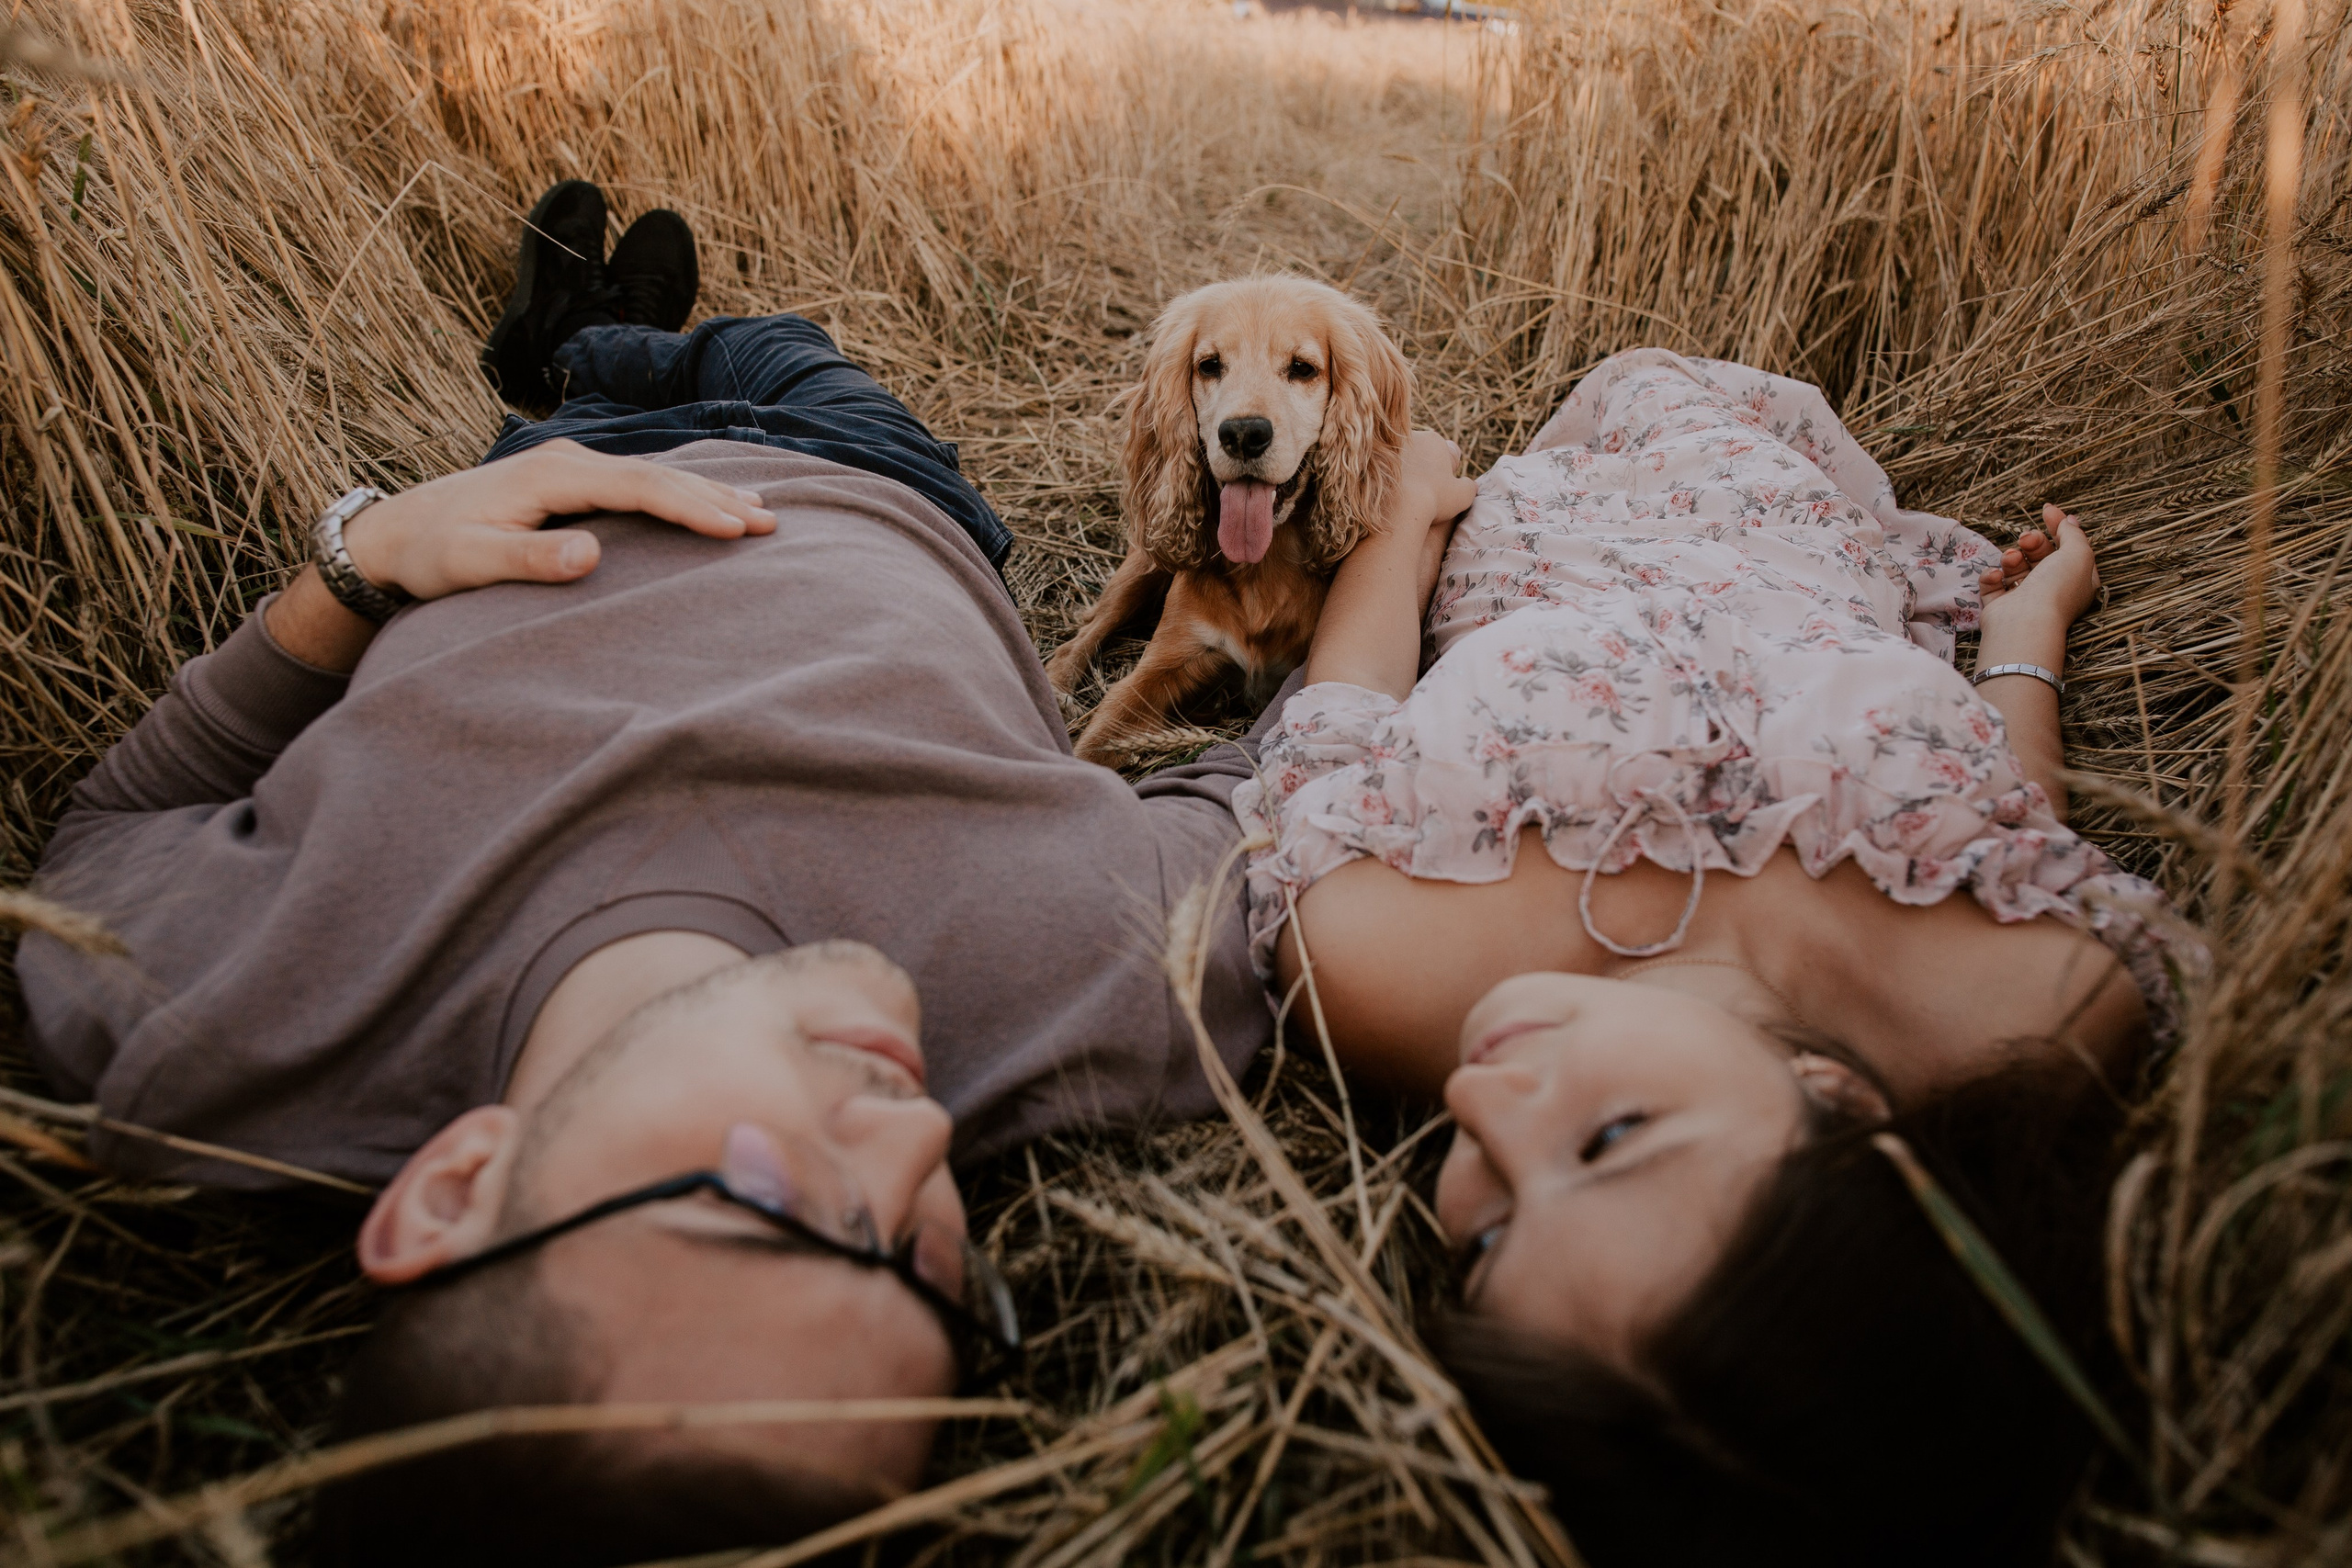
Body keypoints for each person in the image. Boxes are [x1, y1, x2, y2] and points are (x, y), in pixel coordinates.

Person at [10, 183, 1474, 1565]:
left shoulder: (218, 1022)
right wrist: (1397, 527)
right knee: (782, 350)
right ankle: (613, 330)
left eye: (775, 1203)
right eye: (935, 1267)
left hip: (565, 480)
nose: (913, 1146)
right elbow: (1305, 766)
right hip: (878, 481)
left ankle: (589, 345)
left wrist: (362, 560)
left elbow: (113, 826)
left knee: (615, 377)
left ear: (459, 1188)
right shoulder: (1096, 984)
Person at [1233, 351, 2196, 1564]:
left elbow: (1348, 704)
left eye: (1486, 1243)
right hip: (1781, 494)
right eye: (1610, 1140)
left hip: (1540, 518)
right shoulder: (2050, 1008)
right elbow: (2009, 823)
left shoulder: (1369, 960)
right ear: (1842, 1104)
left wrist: (1405, 509)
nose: (1481, 1104)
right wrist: (2022, 631)